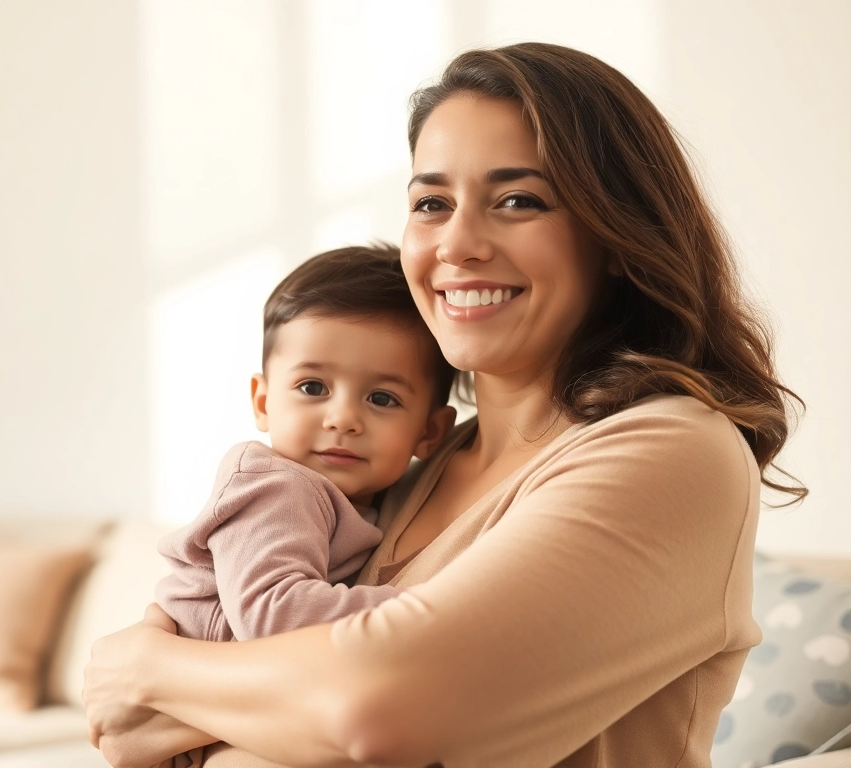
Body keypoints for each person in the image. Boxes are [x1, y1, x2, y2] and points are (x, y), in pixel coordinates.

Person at [83, 41, 804, 768]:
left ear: (617, 235)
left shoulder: (670, 451)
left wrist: (147, 672)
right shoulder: (402, 466)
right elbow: (285, 678)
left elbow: (379, 710)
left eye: (518, 201)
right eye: (432, 203)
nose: (457, 244)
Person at [154, 246, 455, 767]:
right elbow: (275, 614)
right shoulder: (275, 486)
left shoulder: (379, 498)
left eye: (381, 398)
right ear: (264, 401)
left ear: (429, 431)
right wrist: (440, 608)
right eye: (313, 387)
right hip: (186, 736)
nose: (342, 418)